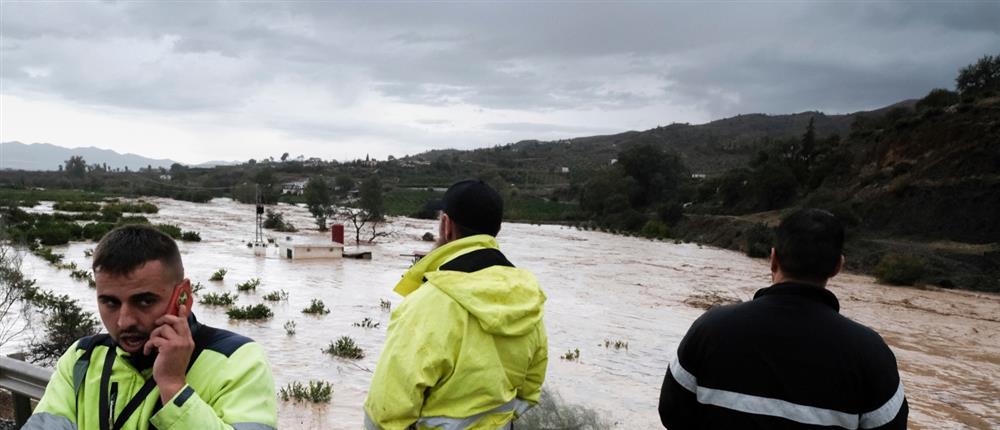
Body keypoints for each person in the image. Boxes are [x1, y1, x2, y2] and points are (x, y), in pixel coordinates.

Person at [658, 208, 908, 429]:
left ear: (773, 259)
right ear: (837, 267)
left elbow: (672, 413)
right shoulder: (870, 352)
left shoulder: (710, 328)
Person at [25, 225, 277, 430]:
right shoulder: (83, 357)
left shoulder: (238, 360)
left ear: (183, 296)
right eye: (110, 302)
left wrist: (173, 386)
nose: (125, 321)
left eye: (144, 301)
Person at [365, 180, 548, 430]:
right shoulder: (528, 299)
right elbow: (529, 391)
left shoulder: (427, 304)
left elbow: (385, 412)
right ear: (496, 230)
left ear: (446, 225)